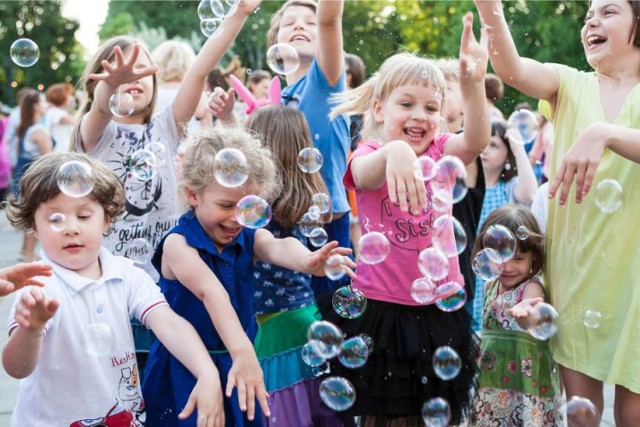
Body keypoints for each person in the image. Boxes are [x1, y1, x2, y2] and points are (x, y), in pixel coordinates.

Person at [71, 1, 261, 373]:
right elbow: (100, 107)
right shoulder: (95, 135)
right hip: (105, 288)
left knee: (155, 388)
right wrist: (113, 82)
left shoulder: (167, 127)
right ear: (100, 80)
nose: (133, 77)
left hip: (162, 289)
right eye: (122, 69)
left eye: (142, 69)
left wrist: (238, 13)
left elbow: (200, 67)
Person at [474, 0, 640, 423]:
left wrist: (605, 132)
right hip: (577, 270)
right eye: (588, 15)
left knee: (634, 412)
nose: (592, 21)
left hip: (635, 274)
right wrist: (488, 7)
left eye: (608, 12)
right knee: (582, 415)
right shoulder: (568, 83)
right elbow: (511, 69)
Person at [323, 12, 489, 424]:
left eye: (431, 107)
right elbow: (364, 174)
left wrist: (472, 86)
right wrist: (395, 152)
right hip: (383, 312)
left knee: (435, 416)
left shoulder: (441, 152)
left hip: (439, 311)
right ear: (379, 108)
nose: (420, 115)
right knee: (387, 416)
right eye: (407, 104)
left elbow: (477, 140)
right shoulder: (367, 156)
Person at [142, 125, 354, 426]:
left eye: (245, 207)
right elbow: (210, 292)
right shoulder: (179, 244)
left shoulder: (249, 236)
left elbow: (278, 246)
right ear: (193, 194)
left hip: (238, 362)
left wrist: (307, 261)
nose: (235, 218)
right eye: (225, 205)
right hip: (185, 367)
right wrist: (243, 350)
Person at [2, 152, 224, 426]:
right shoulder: (39, 285)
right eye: (55, 219)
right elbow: (17, 368)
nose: (71, 228)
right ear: (34, 227)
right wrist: (31, 329)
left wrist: (206, 372)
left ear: (106, 220)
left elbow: (170, 325)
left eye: (84, 216)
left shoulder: (126, 274)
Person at [245, 105, 350, 426]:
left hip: (276, 331)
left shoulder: (253, 211)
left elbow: (277, 247)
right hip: (305, 319)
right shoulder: (303, 201)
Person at [267, 0, 352, 295]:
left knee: (331, 323)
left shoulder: (325, 82)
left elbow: (330, 20)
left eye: (309, 22)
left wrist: (326, 17)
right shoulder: (274, 101)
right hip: (280, 226)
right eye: (289, 23)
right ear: (275, 42)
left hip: (327, 226)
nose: (299, 25)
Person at [470, 205, 562, 425]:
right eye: (500, 258)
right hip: (491, 389)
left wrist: (526, 316)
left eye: (518, 259)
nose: (508, 267)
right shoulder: (489, 287)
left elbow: (534, 314)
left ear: (534, 258)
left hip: (522, 392)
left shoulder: (531, 288)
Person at [434, 57, 487, 334]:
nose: (437, 93)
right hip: (415, 282)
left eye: (446, 88)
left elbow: (467, 144)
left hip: (455, 282)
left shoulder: (466, 149)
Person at [470, 119, 538, 331]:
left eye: (494, 145)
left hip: (502, 269)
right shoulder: (469, 187)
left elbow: (530, 193)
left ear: (507, 155)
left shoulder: (509, 187)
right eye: (482, 144)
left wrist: (518, 147)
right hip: (475, 266)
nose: (485, 150)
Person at [11, 90, 53, 263]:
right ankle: (28, 253)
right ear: (35, 106)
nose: (46, 105)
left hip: (25, 175)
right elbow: (49, 157)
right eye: (43, 102)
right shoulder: (39, 130)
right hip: (38, 178)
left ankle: (25, 251)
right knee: (37, 215)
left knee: (31, 215)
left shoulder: (25, 127)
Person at [151, 39, 211, 130]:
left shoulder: (152, 93)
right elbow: (207, 131)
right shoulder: (197, 95)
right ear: (190, 64)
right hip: (189, 143)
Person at [44, 83, 75, 152]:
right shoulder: (56, 113)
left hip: (62, 150)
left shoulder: (54, 111)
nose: (70, 97)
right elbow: (76, 122)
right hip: (61, 150)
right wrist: (82, 102)